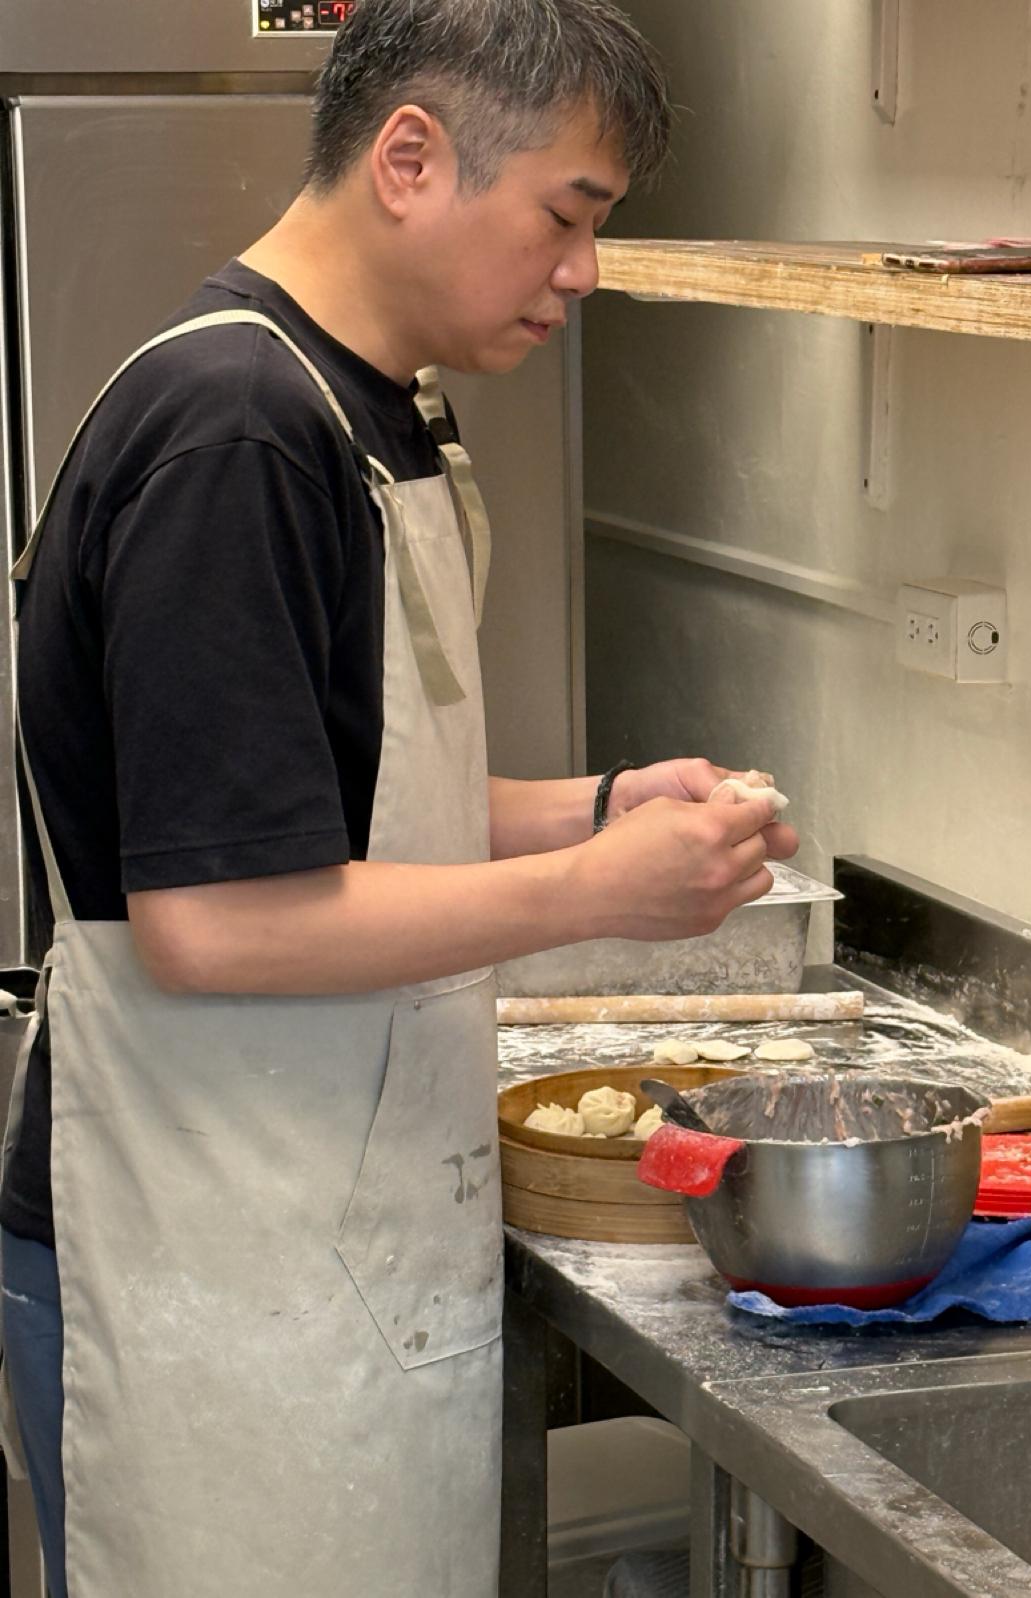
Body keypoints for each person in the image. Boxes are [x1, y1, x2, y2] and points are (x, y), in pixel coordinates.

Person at [0, 1, 799, 1593]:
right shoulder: (237, 434)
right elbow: (217, 919)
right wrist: (597, 892)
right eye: (567, 215)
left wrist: (601, 806)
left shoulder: (366, 402)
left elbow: (336, 797)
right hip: (199, 1263)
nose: (585, 270)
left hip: (311, 1239)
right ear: (412, 159)